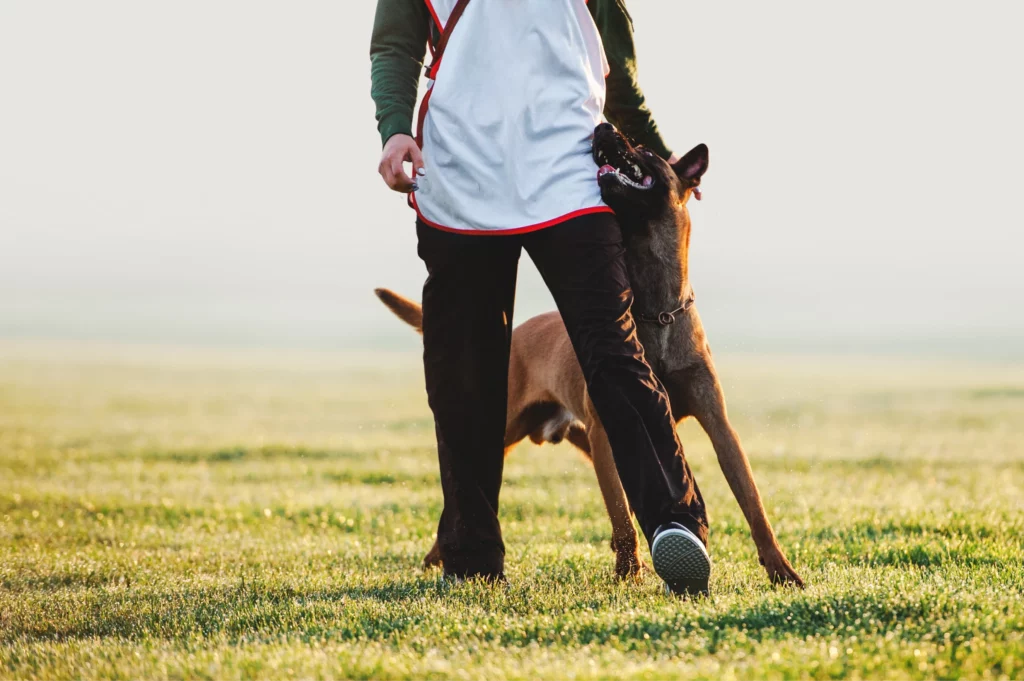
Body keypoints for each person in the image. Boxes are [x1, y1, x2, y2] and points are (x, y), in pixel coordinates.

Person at [369, 0, 711, 596]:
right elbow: (394, 43)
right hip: (459, 179)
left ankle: (675, 527)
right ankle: (472, 557)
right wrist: (396, 126)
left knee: (612, 351)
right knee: (464, 377)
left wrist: (665, 163)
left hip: (568, 173)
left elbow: (616, 71)